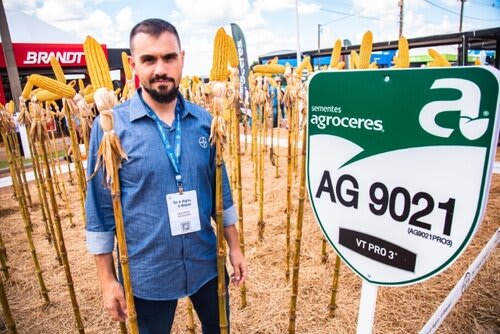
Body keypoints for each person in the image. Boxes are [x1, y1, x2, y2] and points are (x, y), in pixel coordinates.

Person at [85, 18, 247, 333]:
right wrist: (107, 281)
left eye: (169, 57)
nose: (161, 68)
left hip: (206, 261)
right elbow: (100, 210)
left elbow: (220, 192)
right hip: (147, 273)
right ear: (133, 64)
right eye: (149, 59)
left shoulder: (205, 122)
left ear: (181, 59)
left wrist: (236, 248)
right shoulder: (110, 130)